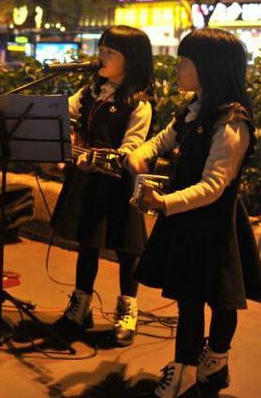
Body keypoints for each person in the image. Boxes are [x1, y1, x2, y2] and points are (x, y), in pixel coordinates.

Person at [126, 28, 261, 398]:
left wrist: (163, 203)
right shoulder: (194, 109)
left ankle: (215, 359)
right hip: (187, 219)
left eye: (184, 63)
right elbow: (163, 139)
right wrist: (141, 154)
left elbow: (213, 185)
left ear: (209, 67)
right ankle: (186, 366)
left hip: (216, 224)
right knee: (189, 297)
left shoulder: (231, 122)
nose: (177, 69)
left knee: (221, 297)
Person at [50, 25, 155, 347]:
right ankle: (81, 305)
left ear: (132, 59)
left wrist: (104, 159)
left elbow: (132, 146)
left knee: (127, 250)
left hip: (120, 185)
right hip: (88, 178)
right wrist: (68, 142)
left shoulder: (139, 103)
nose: (102, 57)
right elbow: (64, 117)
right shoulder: (89, 92)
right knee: (88, 243)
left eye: (110, 53)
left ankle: (127, 309)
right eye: (102, 50)